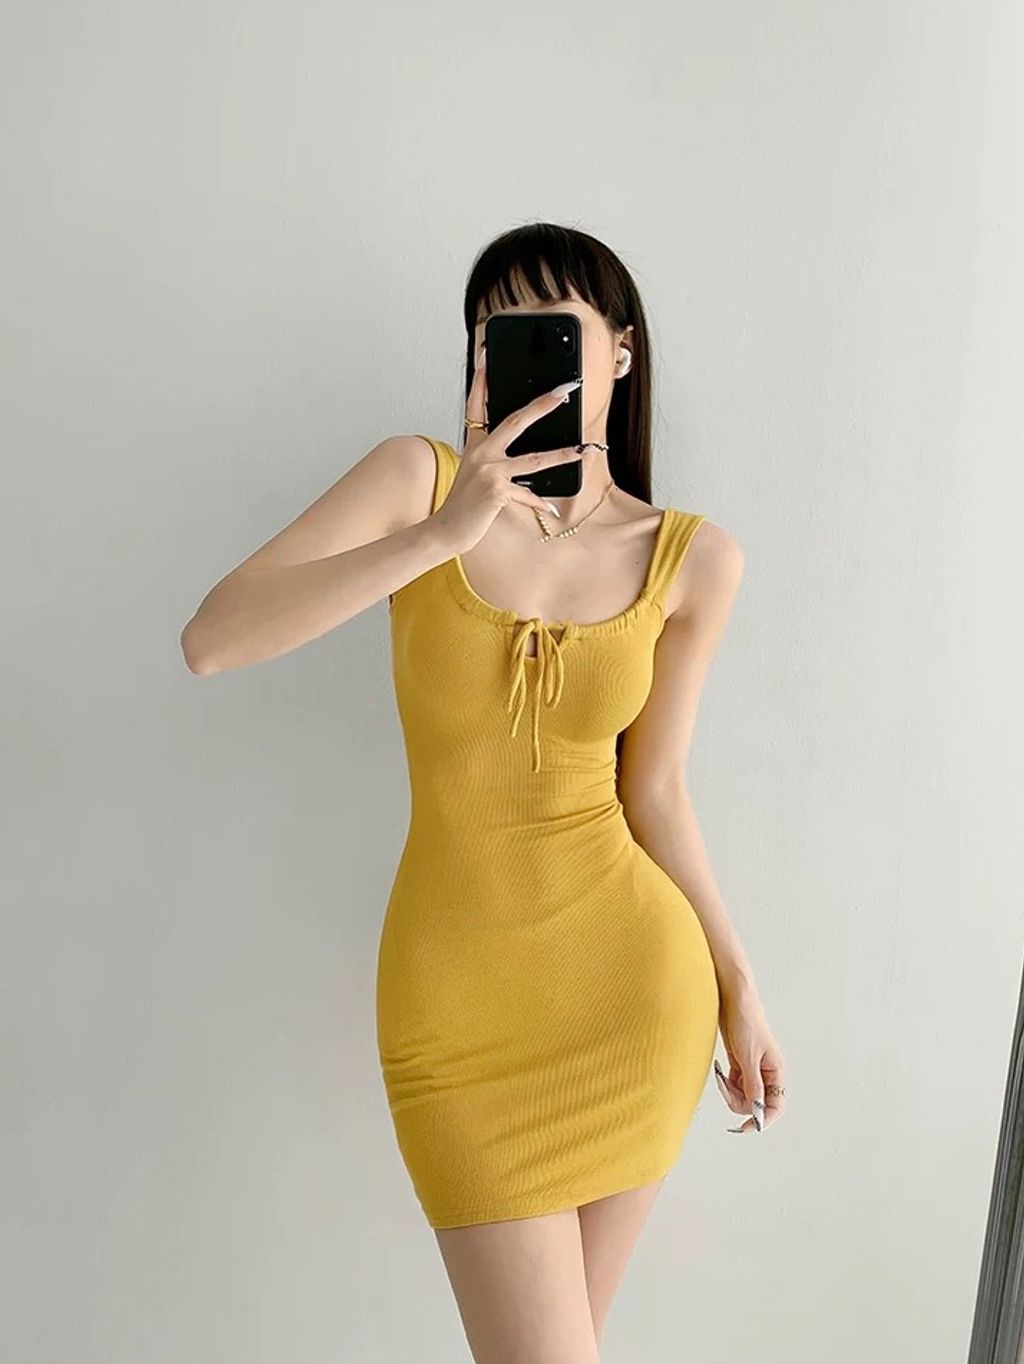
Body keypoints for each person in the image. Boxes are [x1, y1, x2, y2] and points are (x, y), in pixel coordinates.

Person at [181, 222, 787, 1364]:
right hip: (455, 1007)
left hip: (631, 994)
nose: (519, 347)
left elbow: (656, 790)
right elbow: (213, 639)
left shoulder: (693, 558)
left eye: (552, 324)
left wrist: (738, 986)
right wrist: (449, 531)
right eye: (494, 330)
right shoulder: (414, 481)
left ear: (618, 352)